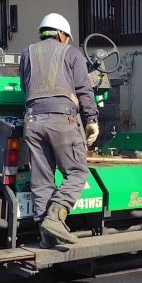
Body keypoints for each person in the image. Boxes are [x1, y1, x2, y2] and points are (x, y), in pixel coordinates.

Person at [20, 13, 99, 246]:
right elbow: (84, 90)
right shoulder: (72, 53)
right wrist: (91, 119)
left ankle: (47, 235)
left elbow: (25, 87)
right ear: (62, 35)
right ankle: (56, 216)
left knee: (42, 181)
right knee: (77, 173)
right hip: (62, 121)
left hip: (32, 122)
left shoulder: (27, 53)